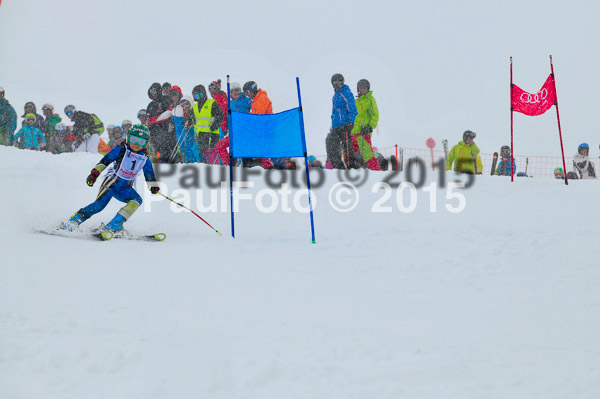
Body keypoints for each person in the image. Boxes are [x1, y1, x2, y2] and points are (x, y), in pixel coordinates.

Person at [58, 124, 160, 234]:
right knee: (99, 206)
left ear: (146, 143)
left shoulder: (144, 158)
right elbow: (105, 161)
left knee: (136, 200)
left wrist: (153, 186)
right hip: (111, 183)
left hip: (125, 188)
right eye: (134, 139)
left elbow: (149, 174)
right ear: (128, 138)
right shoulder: (121, 150)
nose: (136, 144)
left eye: (141, 142)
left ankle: (115, 224)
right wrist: (94, 174)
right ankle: (73, 221)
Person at [326, 73, 358, 169]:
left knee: (347, 146)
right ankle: (338, 166)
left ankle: (352, 166)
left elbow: (352, 108)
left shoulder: (346, 93)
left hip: (344, 125)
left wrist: (351, 121)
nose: (336, 85)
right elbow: (335, 112)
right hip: (336, 126)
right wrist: (333, 125)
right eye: (334, 83)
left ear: (342, 82)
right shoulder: (335, 96)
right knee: (330, 142)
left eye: (338, 83)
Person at [215, 82, 252, 165]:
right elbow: (227, 116)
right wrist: (225, 126)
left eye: (237, 91)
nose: (235, 93)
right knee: (220, 146)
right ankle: (228, 165)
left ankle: (240, 163)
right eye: (232, 91)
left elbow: (255, 108)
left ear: (240, 91)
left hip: (245, 132)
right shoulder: (230, 104)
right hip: (234, 133)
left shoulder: (246, 100)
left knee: (239, 150)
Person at [350, 79, 380, 170]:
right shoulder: (356, 101)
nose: (362, 90)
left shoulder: (370, 99)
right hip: (352, 133)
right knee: (349, 155)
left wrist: (370, 126)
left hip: (362, 132)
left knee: (368, 155)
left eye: (364, 88)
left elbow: (375, 114)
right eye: (360, 88)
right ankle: (352, 172)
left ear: (368, 89)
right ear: (358, 89)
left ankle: (376, 170)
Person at [191, 84, 224, 163]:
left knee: (211, 151)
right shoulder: (195, 107)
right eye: (196, 96)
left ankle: (217, 166)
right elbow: (192, 118)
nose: (198, 97)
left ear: (203, 93)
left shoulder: (211, 103)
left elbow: (220, 115)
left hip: (212, 132)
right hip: (201, 133)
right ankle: (208, 165)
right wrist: (187, 120)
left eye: (199, 95)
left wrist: (215, 125)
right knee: (204, 151)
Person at [146, 82, 177, 163]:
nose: (154, 94)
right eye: (151, 92)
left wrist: (171, 126)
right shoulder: (150, 105)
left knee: (169, 154)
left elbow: (171, 112)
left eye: (155, 91)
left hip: (167, 133)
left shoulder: (166, 99)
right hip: (155, 135)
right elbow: (148, 120)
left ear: (159, 90)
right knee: (158, 158)